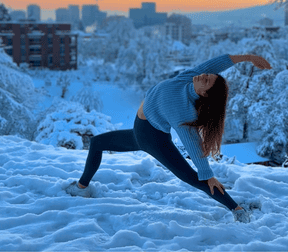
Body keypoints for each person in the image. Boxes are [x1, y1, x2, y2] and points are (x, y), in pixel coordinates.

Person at [66, 53, 272, 223]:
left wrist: (207, 172)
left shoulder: (185, 111)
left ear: (205, 95)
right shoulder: (190, 77)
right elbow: (216, 63)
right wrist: (248, 57)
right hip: (139, 131)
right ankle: (82, 188)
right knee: (97, 143)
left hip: (152, 138)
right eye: (208, 74)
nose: (205, 75)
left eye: (207, 80)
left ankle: (237, 210)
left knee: (193, 177)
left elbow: (193, 144)